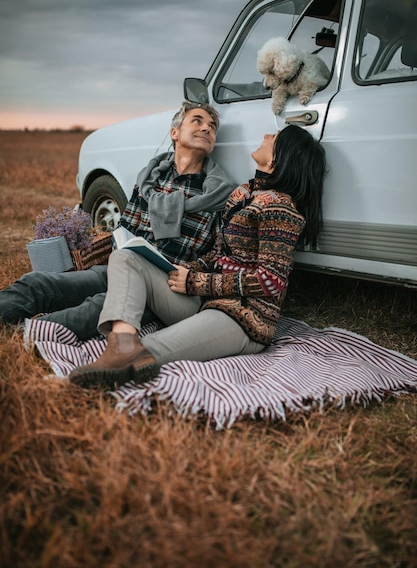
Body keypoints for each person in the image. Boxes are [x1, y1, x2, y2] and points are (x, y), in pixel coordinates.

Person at [68, 124, 326, 387]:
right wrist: (185, 270)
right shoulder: (245, 193)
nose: (267, 136)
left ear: (280, 156)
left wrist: (197, 282)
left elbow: (270, 280)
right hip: (205, 302)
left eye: (275, 137)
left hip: (242, 319)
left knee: (150, 348)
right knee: (126, 258)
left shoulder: (281, 209)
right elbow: (218, 252)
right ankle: (121, 343)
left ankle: (105, 372)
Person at [0, 101, 236, 341]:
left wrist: (193, 273)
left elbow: (222, 254)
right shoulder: (150, 179)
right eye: (197, 121)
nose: (207, 128)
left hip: (172, 287)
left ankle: (25, 336)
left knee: (96, 306)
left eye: (212, 126)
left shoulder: (218, 193)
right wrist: (122, 249)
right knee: (41, 283)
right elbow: (126, 228)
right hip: (126, 266)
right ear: (174, 132)